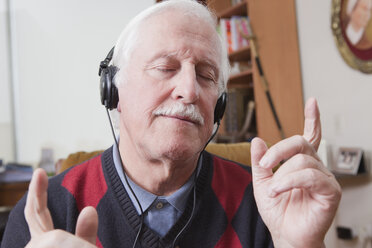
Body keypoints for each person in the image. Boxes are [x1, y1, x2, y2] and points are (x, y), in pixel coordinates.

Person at [1, 0, 341, 247]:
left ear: (218, 107)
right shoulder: (47, 214)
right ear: (113, 90)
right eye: (166, 68)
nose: (190, 90)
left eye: (206, 76)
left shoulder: (263, 205)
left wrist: (300, 246)